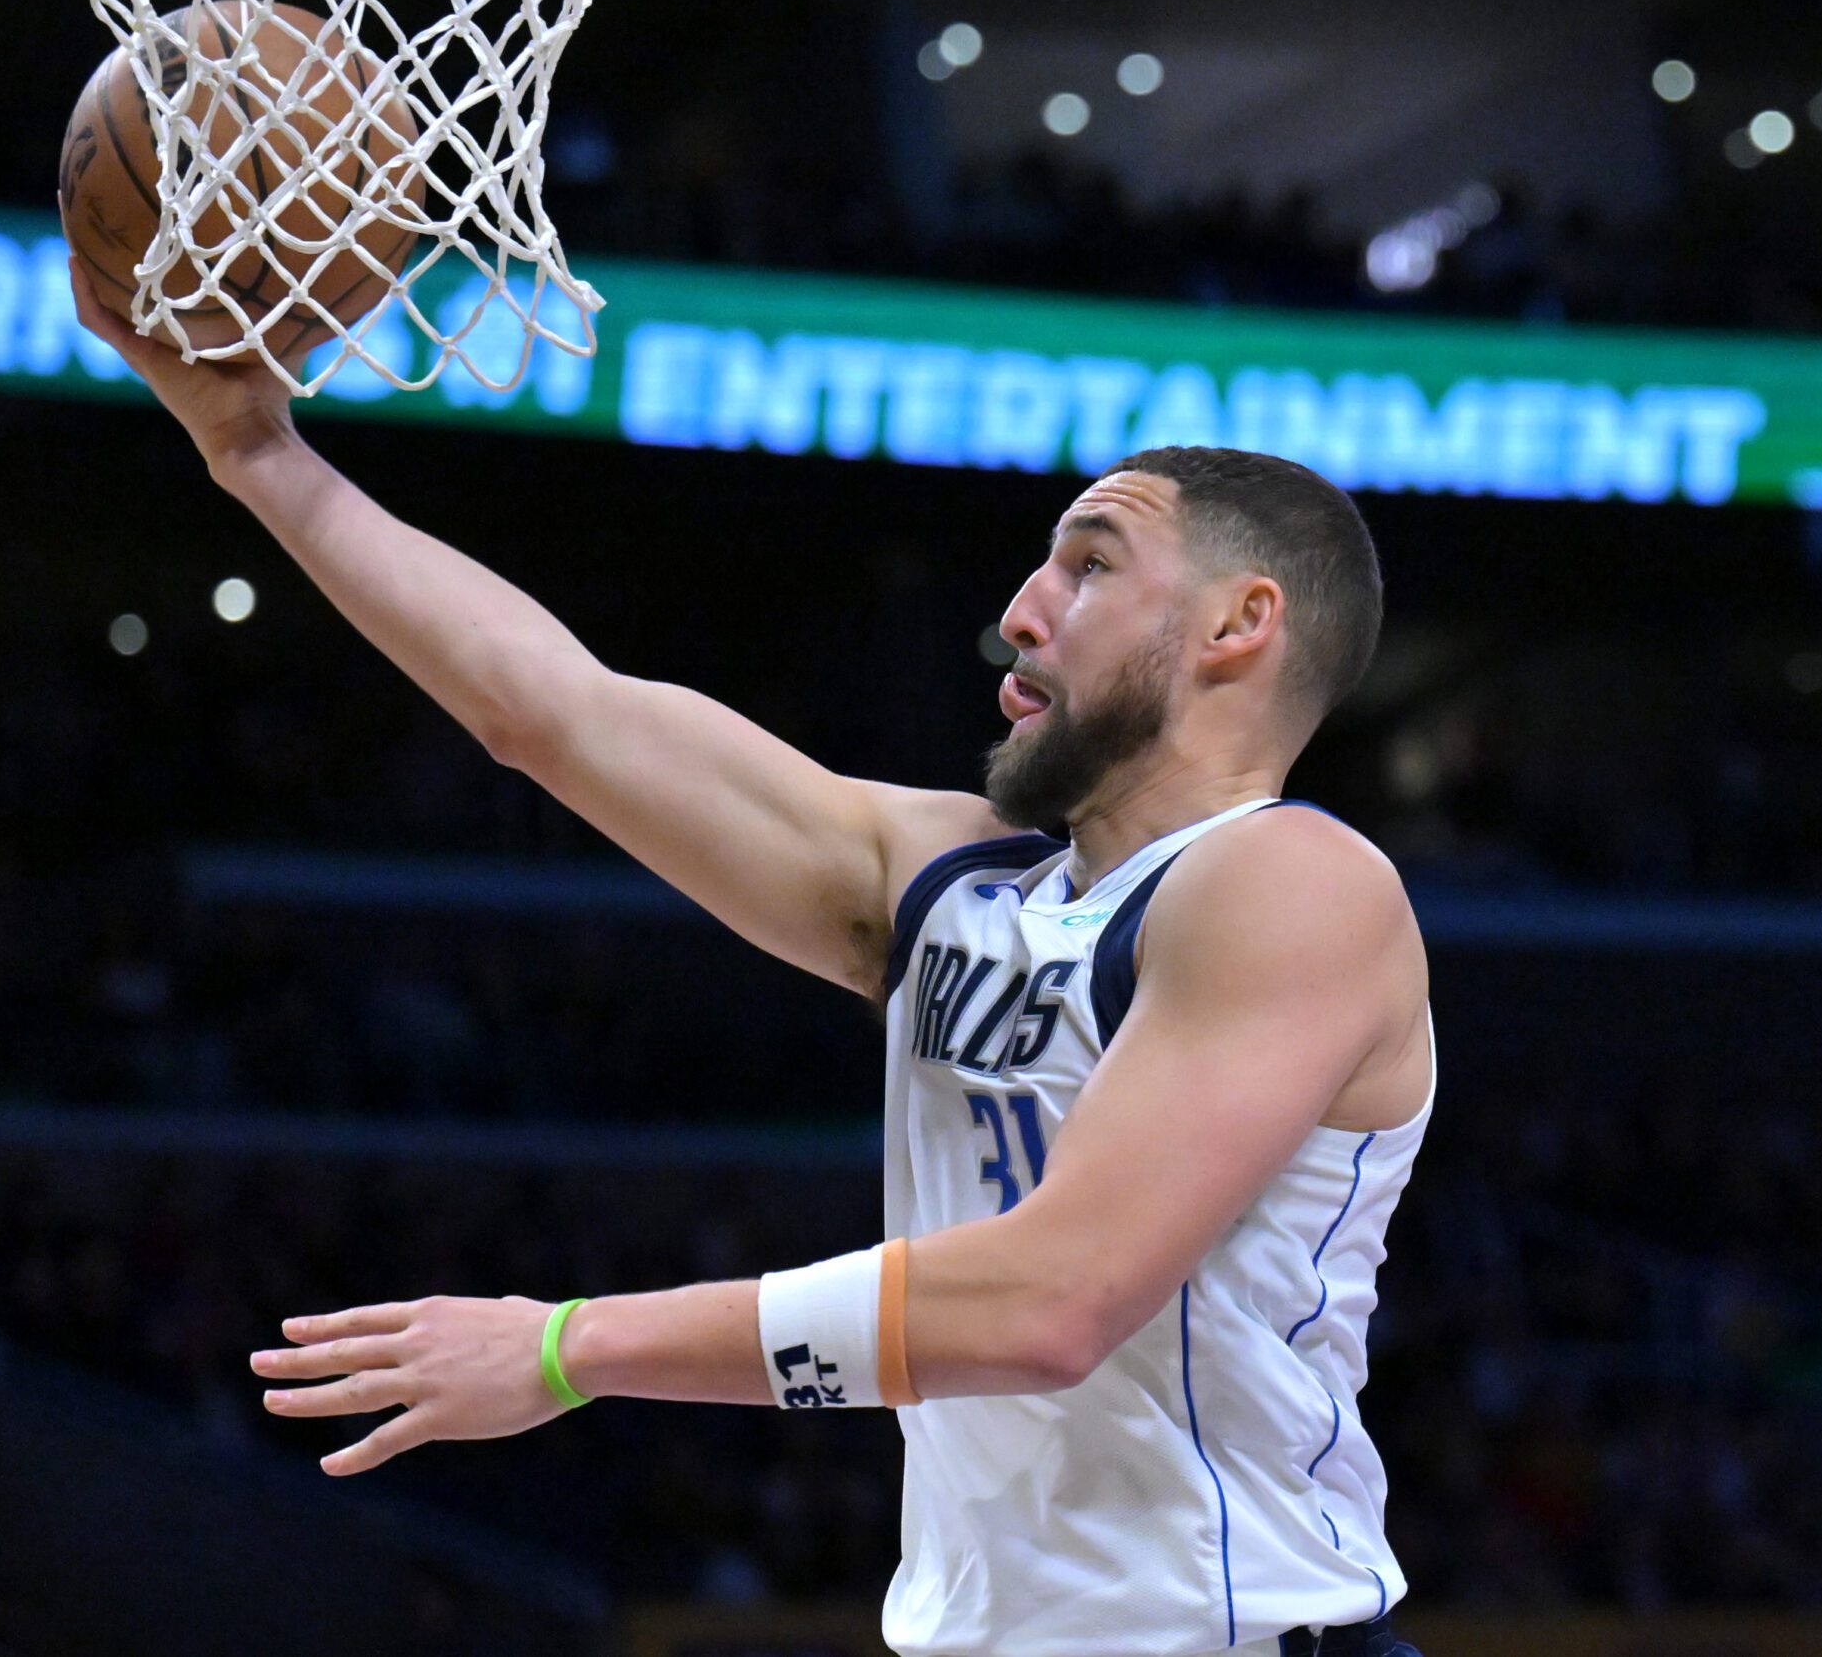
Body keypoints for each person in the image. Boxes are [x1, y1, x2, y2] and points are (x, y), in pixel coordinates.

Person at [70, 251, 1434, 1657]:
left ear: (1238, 625)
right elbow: (554, 713)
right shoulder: (950, 876)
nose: (1023, 610)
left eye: (1089, 566)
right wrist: (253, 452)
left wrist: (566, 1346)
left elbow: (1052, 1301)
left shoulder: (1293, 883)